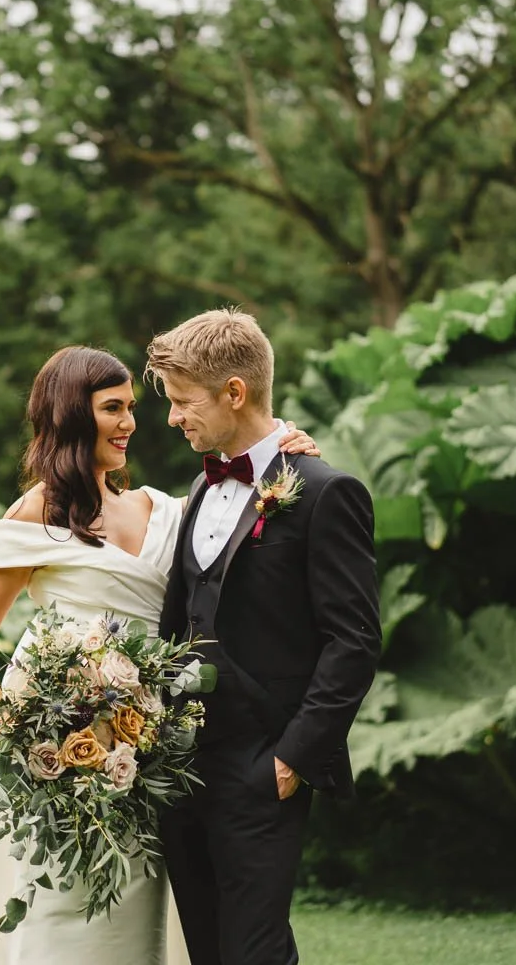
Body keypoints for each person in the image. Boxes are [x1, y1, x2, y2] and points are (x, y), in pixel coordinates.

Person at [0, 345, 320, 965]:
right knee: (57, 909)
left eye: (132, 408)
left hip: (148, 750)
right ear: (72, 415)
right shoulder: (37, 512)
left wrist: (284, 450)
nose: (130, 423)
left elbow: (234, 526)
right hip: (55, 753)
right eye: (112, 409)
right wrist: (14, 732)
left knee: (141, 910)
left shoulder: (165, 509)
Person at [148, 310, 381, 965]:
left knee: (255, 952)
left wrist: (292, 760)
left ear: (234, 393)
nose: (172, 418)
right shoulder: (200, 485)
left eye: (181, 402)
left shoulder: (326, 492)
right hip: (183, 764)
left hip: (262, 765)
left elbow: (354, 640)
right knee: (207, 949)